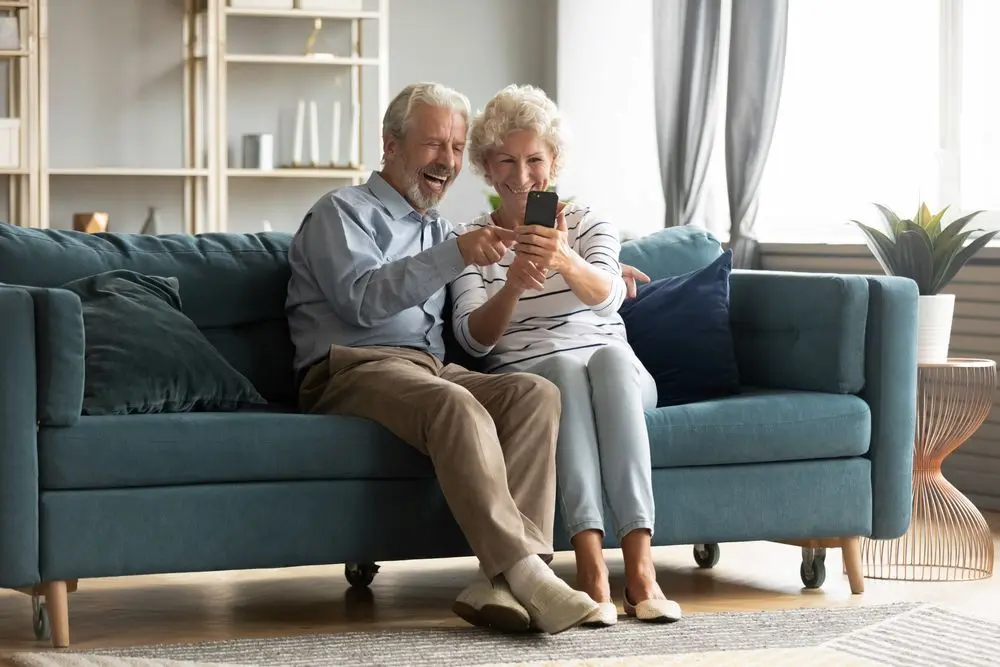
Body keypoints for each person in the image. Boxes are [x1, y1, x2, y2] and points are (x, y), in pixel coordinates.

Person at [285, 82, 603, 635]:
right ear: (390, 145)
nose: (447, 162)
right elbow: (362, 301)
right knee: (453, 405)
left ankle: (501, 585)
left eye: (456, 149)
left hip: (425, 369)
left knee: (534, 393)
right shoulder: (341, 212)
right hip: (350, 367)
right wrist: (455, 253)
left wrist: (590, 268)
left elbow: (476, 316)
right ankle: (528, 573)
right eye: (434, 145)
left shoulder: (439, 227)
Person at [449, 84, 682, 627]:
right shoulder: (470, 243)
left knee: (608, 361)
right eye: (506, 159)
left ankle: (642, 569)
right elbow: (474, 341)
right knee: (560, 375)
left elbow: (606, 296)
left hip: (614, 369)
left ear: (553, 164)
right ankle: (592, 569)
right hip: (535, 372)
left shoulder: (588, 222)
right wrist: (511, 285)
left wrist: (562, 258)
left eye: (535, 158)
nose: (522, 172)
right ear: (487, 166)